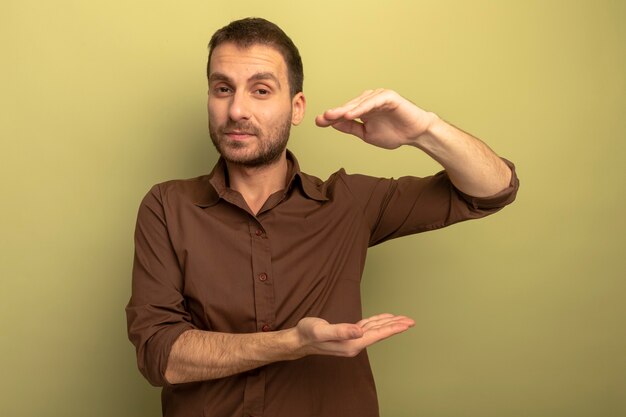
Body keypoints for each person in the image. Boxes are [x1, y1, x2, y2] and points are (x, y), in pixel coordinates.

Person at [126, 17, 519, 417]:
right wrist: (293, 343)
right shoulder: (167, 206)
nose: (237, 109)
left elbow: (492, 189)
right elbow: (161, 355)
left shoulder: (349, 202)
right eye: (223, 88)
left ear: (297, 107)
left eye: (261, 90)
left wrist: (424, 130)